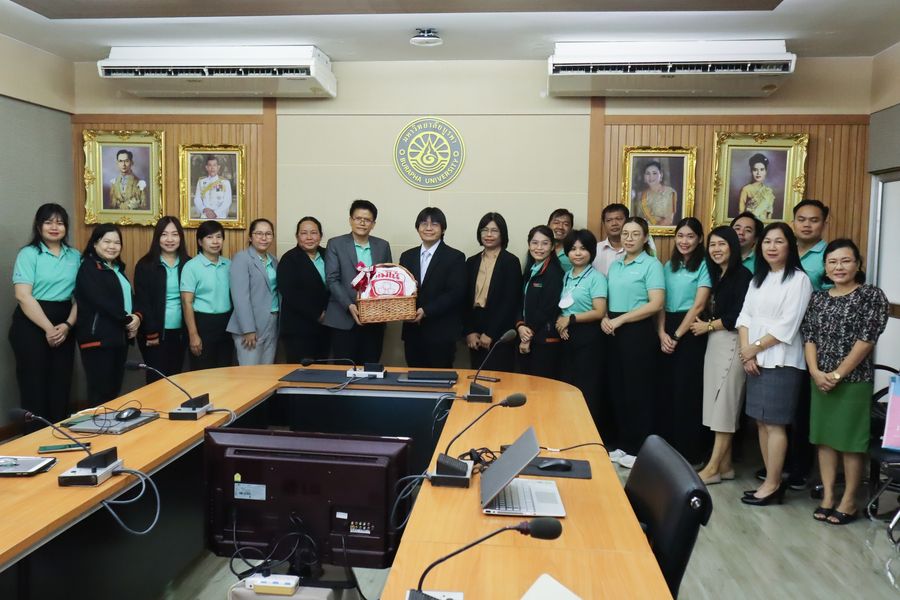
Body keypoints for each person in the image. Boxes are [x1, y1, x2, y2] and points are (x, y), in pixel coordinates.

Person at [802, 239, 889, 524]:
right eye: (832, 262)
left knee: (851, 442)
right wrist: (815, 372)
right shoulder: (818, 298)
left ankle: (849, 500)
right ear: (825, 268)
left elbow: (866, 340)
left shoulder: (871, 296)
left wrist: (838, 374)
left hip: (853, 381)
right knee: (824, 440)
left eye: (845, 261)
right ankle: (828, 496)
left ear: (858, 264)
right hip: (820, 380)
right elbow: (809, 337)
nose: (838, 267)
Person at [736, 222, 812, 506]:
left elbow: (787, 325)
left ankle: (772, 484)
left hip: (782, 360)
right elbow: (744, 317)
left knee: (775, 423)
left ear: (790, 246)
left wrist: (753, 349)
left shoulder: (799, 280)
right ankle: (772, 480)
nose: (772, 247)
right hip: (754, 358)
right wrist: (747, 352)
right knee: (760, 421)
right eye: (767, 241)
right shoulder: (759, 278)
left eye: (779, 241)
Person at [9, 204, 80, 431]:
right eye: (48, 222)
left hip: (65, 323)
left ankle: (58, 436)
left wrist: (67, 325)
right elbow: (22, 295)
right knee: (34, 384)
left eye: (60, 222)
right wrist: (49, 328)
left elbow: (82, 296)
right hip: (31, 324)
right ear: (39, 226)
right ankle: (33, 438)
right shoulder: (29, 254)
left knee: (61, 383)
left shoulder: (75, 256)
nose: (54, 227)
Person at [691, 227, 753, 484]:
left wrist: (707, 326)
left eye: (722, 244)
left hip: (732, 342)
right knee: (714, 406)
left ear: (732, 247)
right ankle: (725, 466)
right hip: (715, 343)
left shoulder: (743, 275)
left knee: (725, 407)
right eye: (713, 245)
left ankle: (713, 468)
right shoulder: (719, 274)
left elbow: (737, 316)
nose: (716, 249)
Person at [602, 217, 665, 469]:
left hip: (637, 331)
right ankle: (623, 444)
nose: (629, 238)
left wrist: (621, 320)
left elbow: (656, 303)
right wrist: (606, 317)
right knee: (619, 389)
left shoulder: (651, 264)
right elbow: (608, 297)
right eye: (625, 234)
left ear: (645, 237)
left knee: (638, 391)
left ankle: (638, 448)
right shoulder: (616, 265)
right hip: (613, 331)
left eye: (635, 234)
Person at [657, 217, 711, 465]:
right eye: (680, 236)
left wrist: (677, 335)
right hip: (666, 327)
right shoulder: (669, 265)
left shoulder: (704, 265)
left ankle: (689, 452)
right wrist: (662, 333)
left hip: (691, 329)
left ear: (699, 239)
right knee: (666, 390)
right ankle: (668, 448)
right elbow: (660, 302)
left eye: (690, 236)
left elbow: (699, 305)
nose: (684, 241)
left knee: (687, 391)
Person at [74, 224, 141, 406]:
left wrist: (137, 317)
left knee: (113, 391)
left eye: (117, 243)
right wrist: (128, 320)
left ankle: (110, 424)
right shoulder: (89, 267)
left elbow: (129, 299)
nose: (112, 246)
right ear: (95, 244)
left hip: (118, 338)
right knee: (100, 393)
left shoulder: (117, 269)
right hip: (98, 340)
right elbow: (101, 301)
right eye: (107, 242)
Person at [323, 199, 392, 364]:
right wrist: (349, 305)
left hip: (374, 319)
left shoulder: (382, 245)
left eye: (367, 220)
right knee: (343, 369)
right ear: (350, 220)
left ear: (373, 224)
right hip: (342, 317)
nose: (362, 223)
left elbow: (387, 279)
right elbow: (332, 279)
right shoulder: (335, 243)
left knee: (371, 367)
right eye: (358, 218)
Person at [399, 207, 467, 368]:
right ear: (418, 228)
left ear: (443, 229)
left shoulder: (455, 257)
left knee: (440, 379)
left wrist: (426, 311)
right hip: (412, 333)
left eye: (434, 224)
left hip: (441, 334)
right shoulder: (407, 256)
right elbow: (400, 290)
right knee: (414, 378)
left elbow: (456, 293)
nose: (428, 228)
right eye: (424, 223)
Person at [555, 229, 607, 426]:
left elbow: (599, 311)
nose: (577, 253)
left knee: (587, 388)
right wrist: (562, 322)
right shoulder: (566, 276)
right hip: (568, 336)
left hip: (589, 337)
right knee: (567, 386)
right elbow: (562, 306)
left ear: (591, 252)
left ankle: (587, 432)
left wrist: (571, 319)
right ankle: (569, 429)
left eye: (583, 248)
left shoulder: (596, 277)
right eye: (573, 249)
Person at [133, 216, 189, 384]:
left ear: (180, 237)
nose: (170, 239)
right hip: (154, 334)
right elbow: (142, 302)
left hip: (181, 334)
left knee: (176, 379)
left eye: (174, 234)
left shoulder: (188, 264)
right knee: (156, 381)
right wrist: (151, 332)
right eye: (164, 234)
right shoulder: (145, 265)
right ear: (157, 237)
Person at [464, 212, 522, 372]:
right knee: (476, 374)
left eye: (494, 230)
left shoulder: (511, 262)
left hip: (500, 326)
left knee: (499, 377)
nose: (489, 235)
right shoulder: (471, 261)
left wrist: (491, 333)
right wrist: (469, 331)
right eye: (484, 230)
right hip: (475, 324)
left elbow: (510, 301)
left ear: (502, 234)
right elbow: (464, 299)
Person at [181, 220, 233, 370]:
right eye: (209, 237)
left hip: (226, 324)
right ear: (200, 241)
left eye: (219, 237)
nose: (215, 241)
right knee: (203, 373)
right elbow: (186, 302)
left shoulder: (229, 264)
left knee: (226, 371)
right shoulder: (191, 266)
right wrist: (193, 334)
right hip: (202, 324)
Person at [227, 218, 280, 366]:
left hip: (272, 320)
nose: (264, 238)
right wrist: (248, 329)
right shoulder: (242, 258)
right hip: (250, 325)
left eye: (268, 234)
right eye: (259, 233)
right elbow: (240, 298)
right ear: (250, 237)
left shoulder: (273, 260)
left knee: (267, 371)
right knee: (250, 373)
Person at [277, 216, 330, 363]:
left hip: (326, 326)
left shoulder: (328, 255)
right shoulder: (289, 259)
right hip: (298, 328)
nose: (309, 237)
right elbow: (290, 293)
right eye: (304, 233)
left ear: (320, 236)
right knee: (300, 370)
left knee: (323, 368)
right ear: (297, 236)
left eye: (313, 232)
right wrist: (317, 314)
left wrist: (329, 312)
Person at [516, 225, 564, 379]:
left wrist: (527, 335)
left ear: (552, 247)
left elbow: (547, 309)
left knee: (541, 386)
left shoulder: (554, 273)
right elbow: (520, 302)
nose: (539, 248)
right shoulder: (531, 269)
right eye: (535, 243)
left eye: (545, 243)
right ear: (529, 244)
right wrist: (520, 326)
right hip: (527, 335)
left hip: (544, 340)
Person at [633, 161, 677, 226]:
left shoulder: (670, 192)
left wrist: (654, 229)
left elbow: (669, 220)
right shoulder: (640, 195)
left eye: (654, 173)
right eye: (648, 173)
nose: (651, 177)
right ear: (644, 176)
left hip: (663, 230)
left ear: (661, 175)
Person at [592, 203, 628, 276]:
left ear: (627, 221)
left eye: (619, 219)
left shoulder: (637, 249)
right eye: (609, 220)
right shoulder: (594, 250)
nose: (614, 223)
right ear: (604, 224)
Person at [193, 155, 233, 220]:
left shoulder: (225, 182)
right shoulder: (201, 182)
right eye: (210, 165)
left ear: (218, 167)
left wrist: (216, 213)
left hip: (220, 217)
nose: (212, 168)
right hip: (205, 216)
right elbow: (197, 199)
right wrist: (204, 209)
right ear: (206, 167)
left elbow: (227, 201)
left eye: (214, 165)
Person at [738, 153, 775, 221]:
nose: (758, 173)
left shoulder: (768, 191)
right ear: (751, 171)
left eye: (762, 169)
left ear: (765, 171)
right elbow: (741, 213)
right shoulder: (746, 189)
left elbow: (769, 213)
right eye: (755, 170)